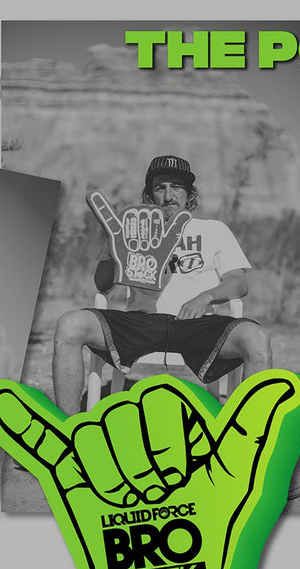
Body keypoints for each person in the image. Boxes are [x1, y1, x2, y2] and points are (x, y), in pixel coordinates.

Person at [51, 155, 271, 413]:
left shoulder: (214, 230)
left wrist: (206, 297)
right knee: (69, 325)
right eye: (160, 187)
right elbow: (102, 284)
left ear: (189, 194)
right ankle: (67, 430)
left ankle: (247, 438)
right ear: (149, 196)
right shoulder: (131, 230)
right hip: (139, 322)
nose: (168, 195)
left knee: (257, 339)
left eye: (176, 186)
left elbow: (239, 282)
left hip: (196, 323)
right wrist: (116, 249)